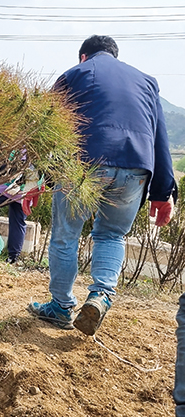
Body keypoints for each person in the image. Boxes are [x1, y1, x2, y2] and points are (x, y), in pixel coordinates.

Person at [28, 35, 176, 336]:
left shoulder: (74, 74)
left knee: (66, 236)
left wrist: (36, 177)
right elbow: (161, 139)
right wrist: (164, 192)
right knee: (112, 235)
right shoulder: (147, 82)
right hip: (135, 167)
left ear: (84, 56)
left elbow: (47, 130)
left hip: (85, 162)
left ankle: (60, 306)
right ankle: (100, 296)